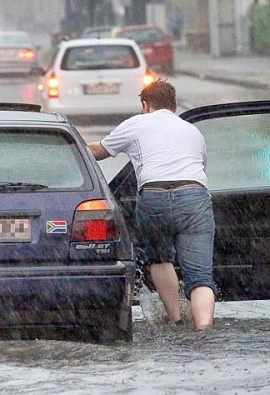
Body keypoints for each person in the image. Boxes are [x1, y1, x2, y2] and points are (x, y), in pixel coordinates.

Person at [87, 79, 216, 331]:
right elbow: (200, 169)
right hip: (194, 196)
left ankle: (176, 320)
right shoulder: (192, 131)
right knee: (200, 277)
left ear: (145, 105)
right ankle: (204, 329)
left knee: (159, 259)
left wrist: (69, 143)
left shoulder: (136, 123)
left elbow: (99, 152)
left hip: (153, 197)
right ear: (175, 106)